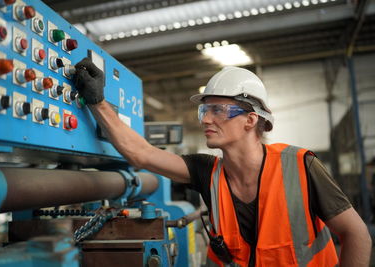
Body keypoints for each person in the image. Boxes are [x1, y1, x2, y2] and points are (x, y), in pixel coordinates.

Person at [73, 58, 372, 267]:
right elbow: (142, 154)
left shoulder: (300, 166)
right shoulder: (206, 171)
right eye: (204, 111)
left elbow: (356, 234)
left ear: (250, 120)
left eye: (218, 110)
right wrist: (98, 102)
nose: (206, 119)